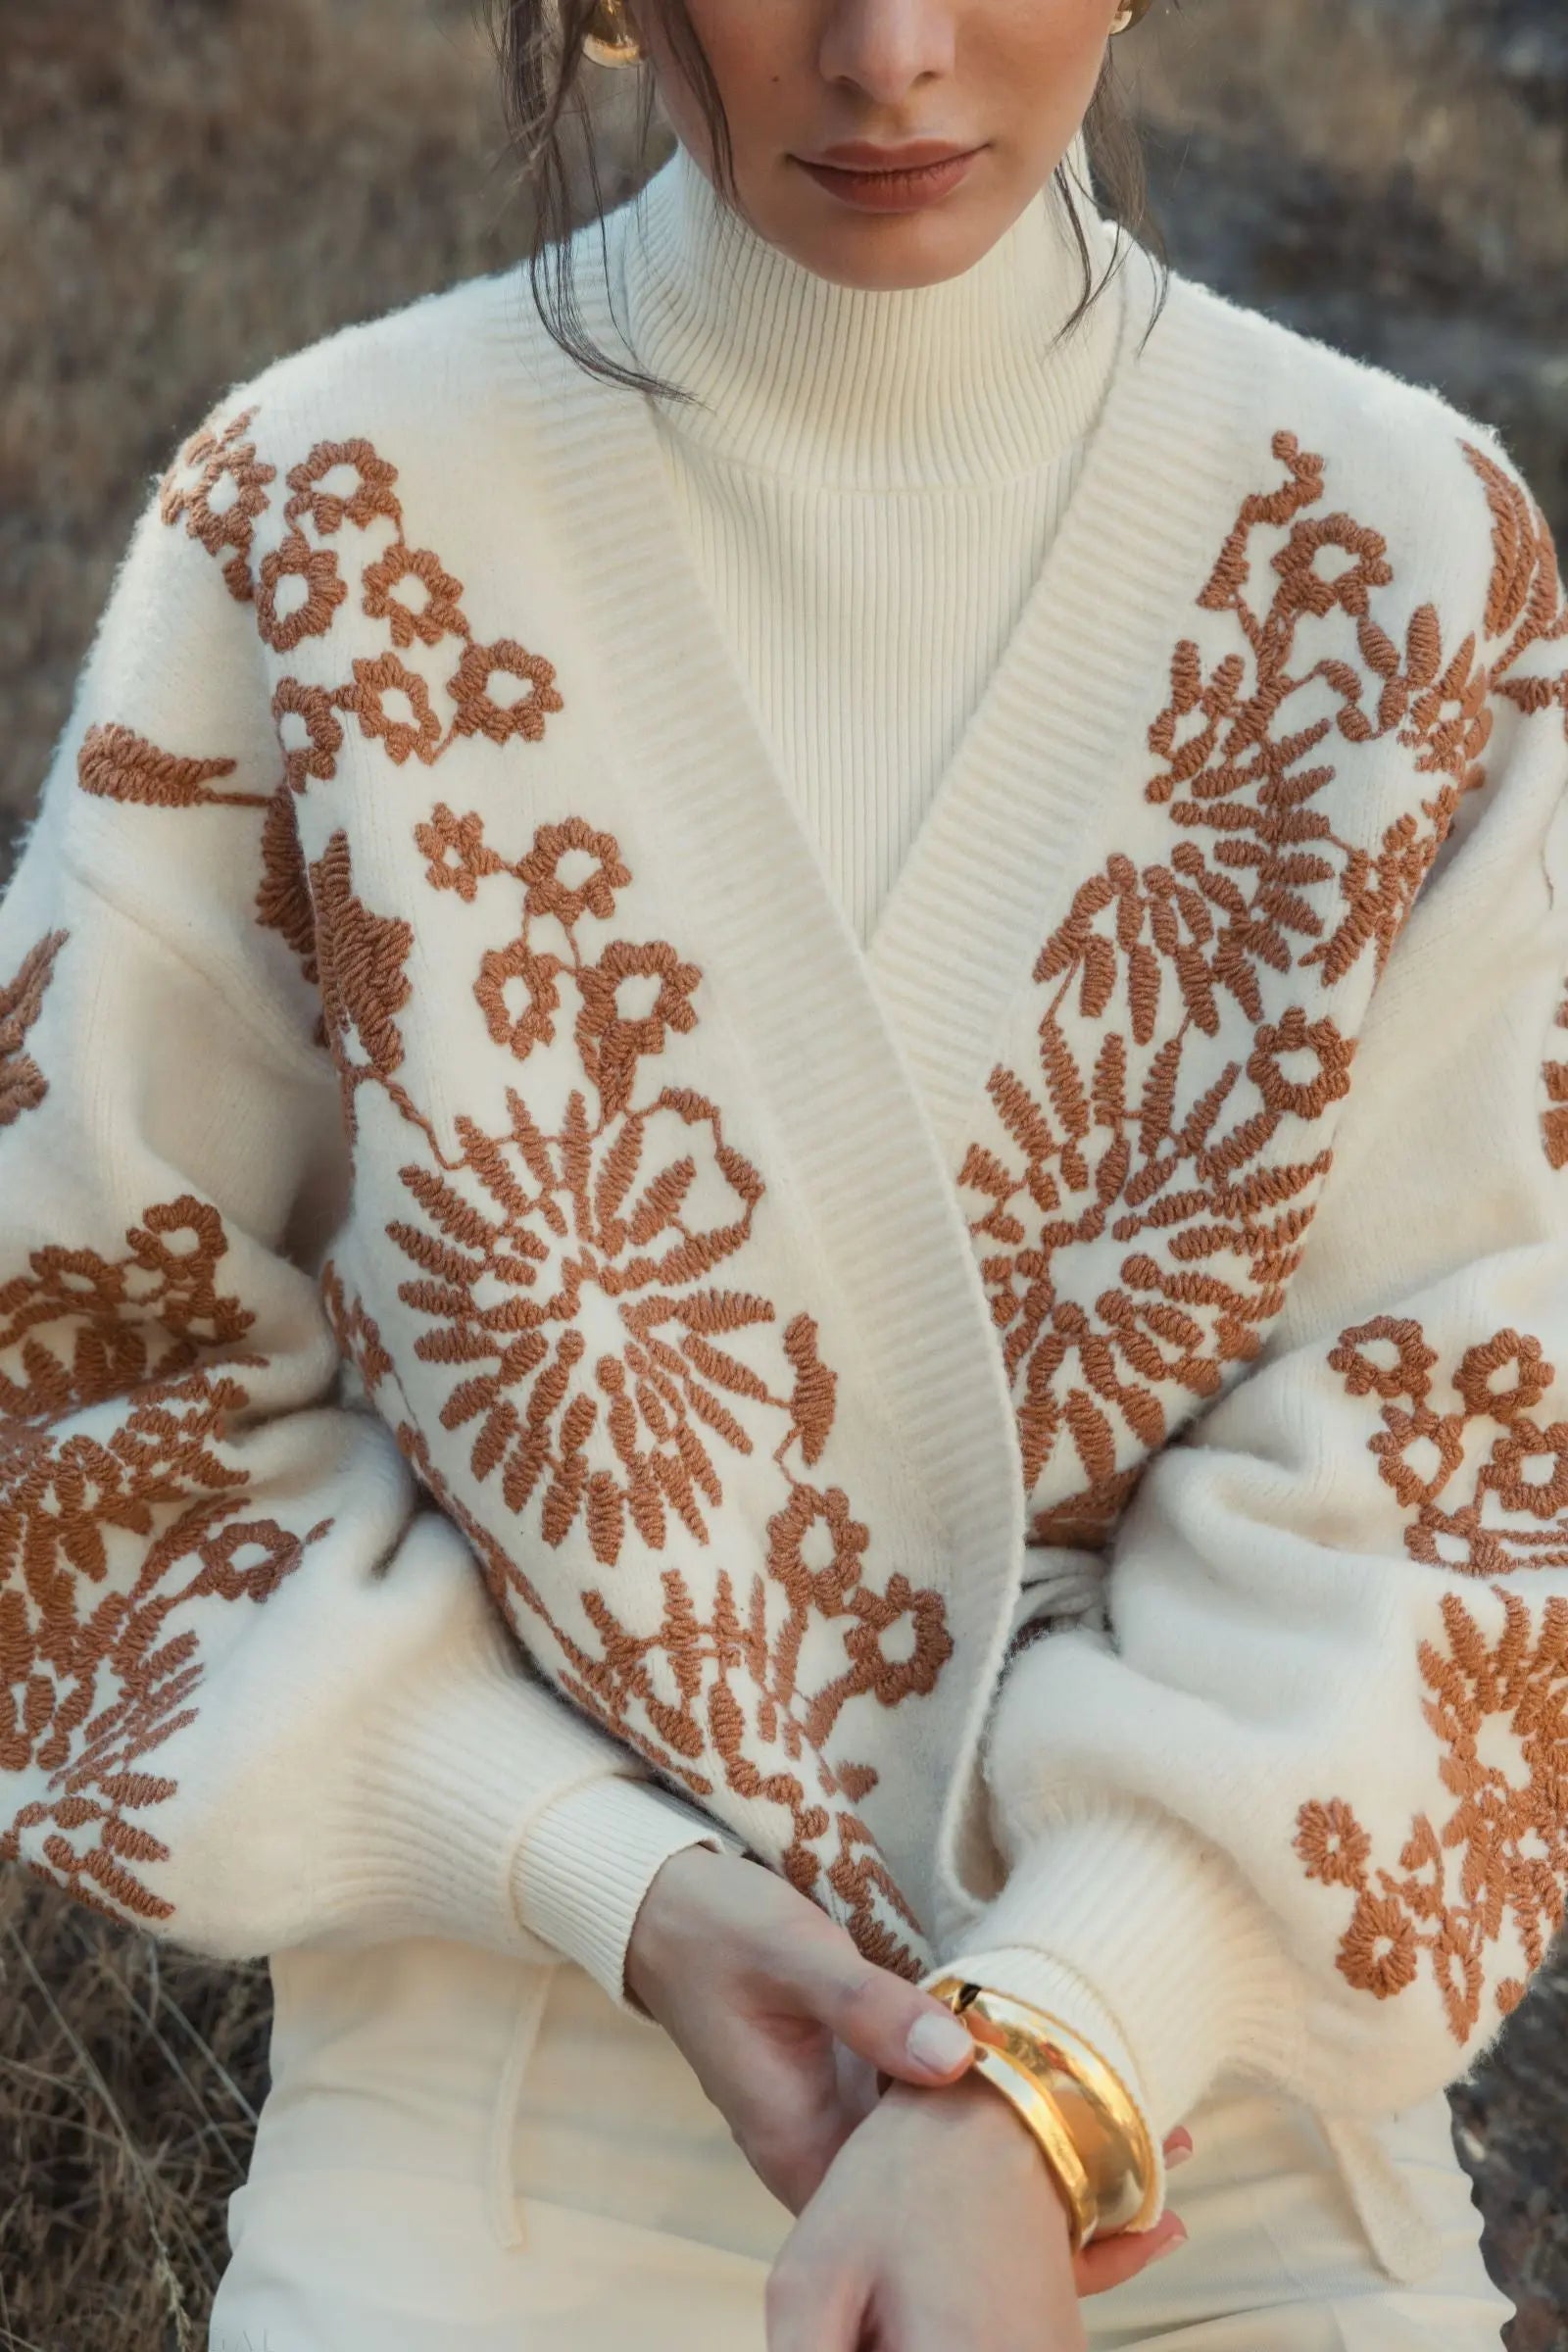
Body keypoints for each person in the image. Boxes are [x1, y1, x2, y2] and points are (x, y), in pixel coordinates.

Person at [2, 0, 1562, 2341]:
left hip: (1210, 2118)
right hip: (504, 2073)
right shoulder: (319, 519)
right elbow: (82, 1391)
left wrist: (1048, 2064)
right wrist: (608, 1881)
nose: (890, 52)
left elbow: (1473, 1438)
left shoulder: (1403, 551)